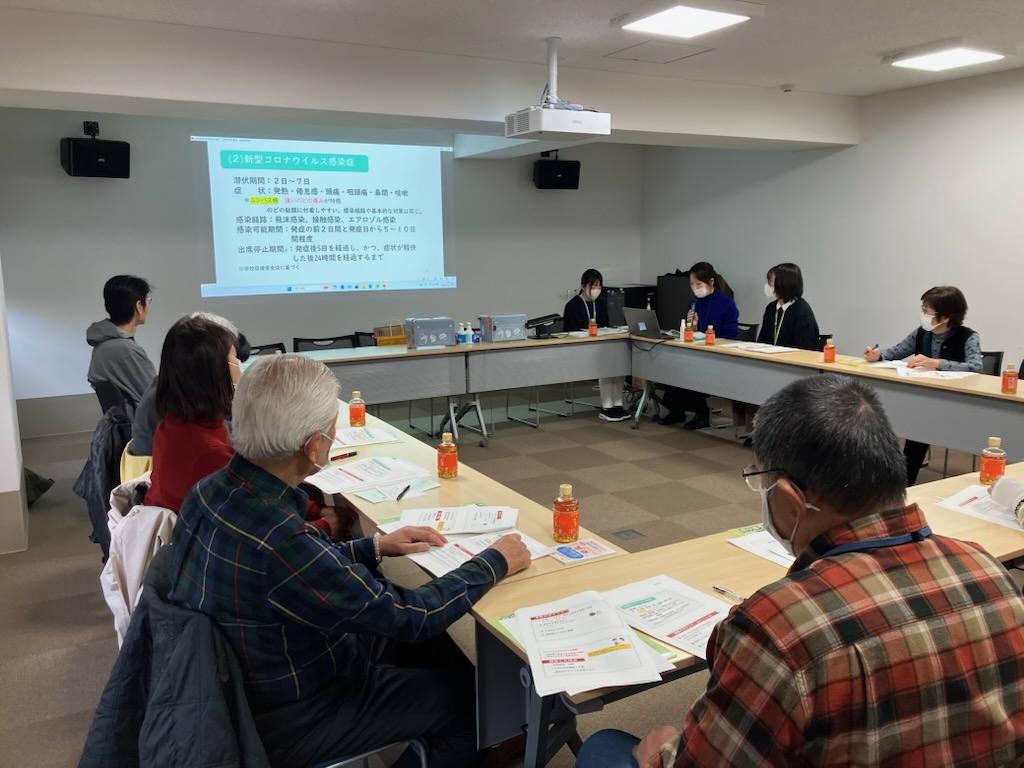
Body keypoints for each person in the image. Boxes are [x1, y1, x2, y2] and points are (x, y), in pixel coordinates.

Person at [576, 374, 1024, 768]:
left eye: (761, 484)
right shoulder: (985, 567)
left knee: (605, 746)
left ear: (791, 500)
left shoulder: (777, 627)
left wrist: (661, 751)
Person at [168, 354, 532, 767]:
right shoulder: (283, 540)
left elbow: (298, 571)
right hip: (295, 715)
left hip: (245, 680)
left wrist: (374, 546)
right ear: (313, 446)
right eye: (332, 429)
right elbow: (409, 616)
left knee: (433, 648)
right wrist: (493, 561)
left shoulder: (208, 491)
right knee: (470, 702)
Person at [863, 285, 982, 485]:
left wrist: (937, 363)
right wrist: (878, 355)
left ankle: (903, 480)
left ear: (946, 317)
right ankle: (899, 479)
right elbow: (898, 351)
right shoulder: (922, 333)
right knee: (914, 420)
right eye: (923, 310)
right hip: (926, 400)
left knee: (920, 421)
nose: (924, 315)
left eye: (928, 311)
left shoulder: (969, 337)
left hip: (954, 402)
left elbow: (975, 367)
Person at [733, 263, 821, 444]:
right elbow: (762, 340)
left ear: (785, 283)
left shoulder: (802, 311)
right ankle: (761, 433)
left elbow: (807, 350)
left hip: (792, 369)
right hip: (770, 364)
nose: (768, 286)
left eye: (772, 282)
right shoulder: (771, 308)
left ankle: (779, 438)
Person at [660, 262, 739, 429]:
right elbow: (695, 333)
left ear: (711, 282)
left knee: (692, 367)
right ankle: (676, 409)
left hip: (718, 353)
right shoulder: (695, 303)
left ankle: (701, 412)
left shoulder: (726, 303)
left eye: (698, 284)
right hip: (699, 350)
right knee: (674, 364)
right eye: (691, 284)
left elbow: (731, 335)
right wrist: (693, 326)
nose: (694, 288)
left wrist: (709, 336)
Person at [562, 268, 630, 422]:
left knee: (619, 362)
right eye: (593, 287)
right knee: (607, 363)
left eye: (599, 287)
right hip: (580, 349)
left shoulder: (599, 304)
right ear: (583, 286)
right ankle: (607, 406)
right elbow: (569, 332)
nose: (596, 290)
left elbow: (605, 326)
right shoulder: (573, 305)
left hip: (600, 346)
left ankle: (617, 403)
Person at [86, 275, 156, 410]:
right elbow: (158, 398)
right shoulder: (126, 351)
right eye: (147, 300)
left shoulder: (104, 345)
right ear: (139, 306)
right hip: (141, 422)